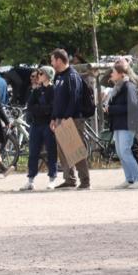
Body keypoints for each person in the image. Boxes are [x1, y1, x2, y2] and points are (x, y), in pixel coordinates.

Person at [50, 48, 91, 190]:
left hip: (73, 118)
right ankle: (69, 179)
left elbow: (75, 99)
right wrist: (54, 118)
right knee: (63, 150)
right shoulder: (58, 76)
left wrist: (67, 117)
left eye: (52, 60)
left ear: (59, 60)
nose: (51, 63)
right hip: (60, 119)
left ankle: (85, 181)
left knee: (76, 150)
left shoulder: (72, 76)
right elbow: (56, 100)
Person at [104, 60, 138, 189]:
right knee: (121, 153)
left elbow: (132, 107)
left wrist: (112, 109)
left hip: (127, 124)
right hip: (118, 124)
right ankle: (130, 179)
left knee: (126, 151)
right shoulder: (118, 87)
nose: (111, 75)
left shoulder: (128, 86)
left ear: (121, 74)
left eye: (114, 72)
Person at [21, 67, 59, 191]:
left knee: (51, 152)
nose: (38, 75)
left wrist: (40, 109)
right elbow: (30, 106)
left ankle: (52, 178)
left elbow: (53, 108)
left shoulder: (53, 90)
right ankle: (30, 179)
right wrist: (43, 109)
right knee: (33, 152)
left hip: (49, 124)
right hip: (36, 125)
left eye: (41, 73)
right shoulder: (37, 90)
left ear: (48, 75)